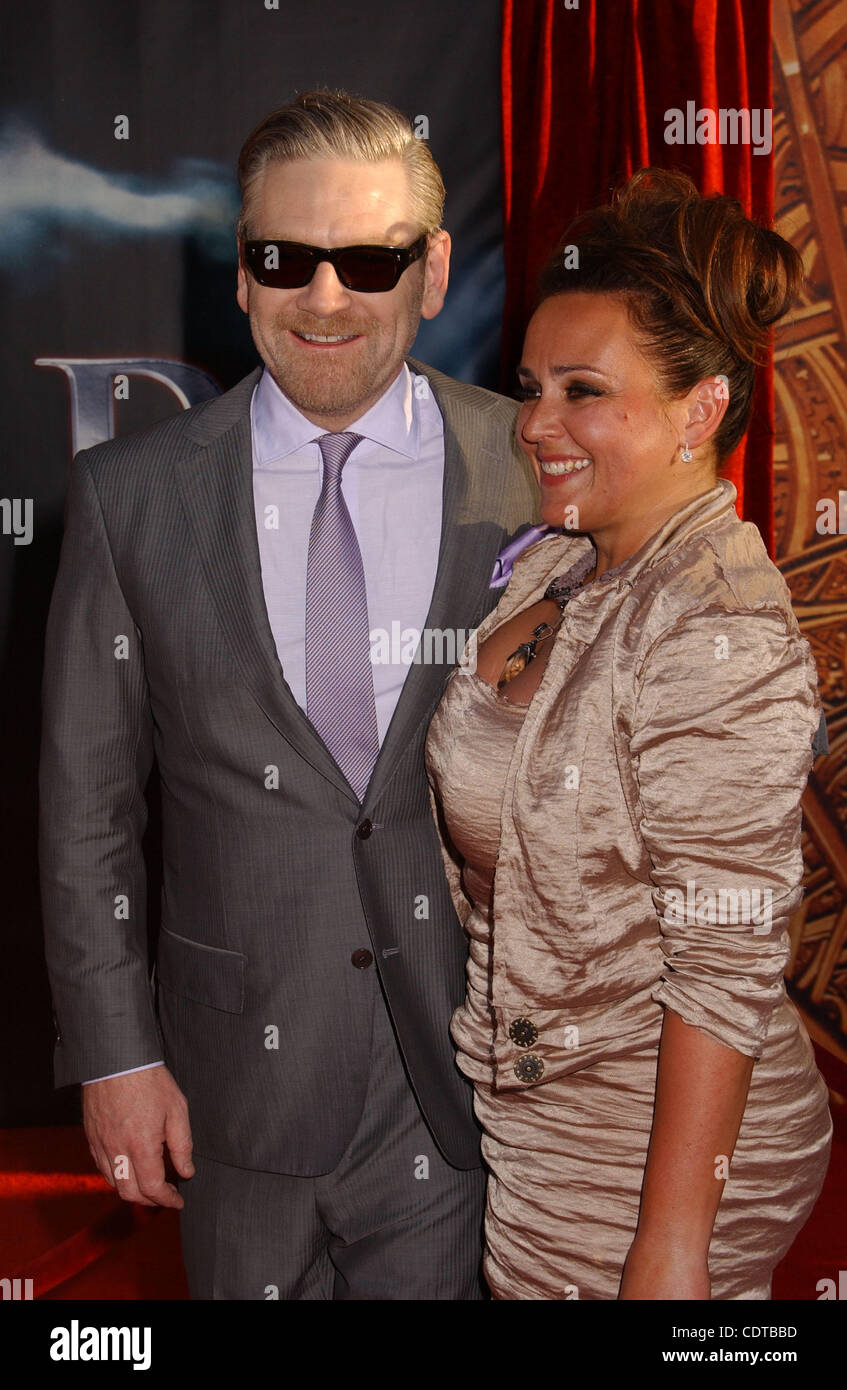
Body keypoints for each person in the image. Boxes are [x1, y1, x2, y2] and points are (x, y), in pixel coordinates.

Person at [38, 89, 539, 1300]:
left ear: (431, 271)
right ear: (242, 275)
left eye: (367, 261)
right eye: (286, 259)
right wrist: (115, 1055)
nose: (325, 298)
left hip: (465, 1076)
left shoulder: (530, 468)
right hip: (230, 1087)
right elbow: (86, 810)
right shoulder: (132, 497)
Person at [425, 168, 833, 1300]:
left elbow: (722, 963)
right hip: (545, 1111)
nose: (536, 424)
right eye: (533, 386)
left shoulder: (717, 626)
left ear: (702, 406)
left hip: (653, 1149)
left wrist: (671, 1247)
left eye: (582, 391)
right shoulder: (562, 557)